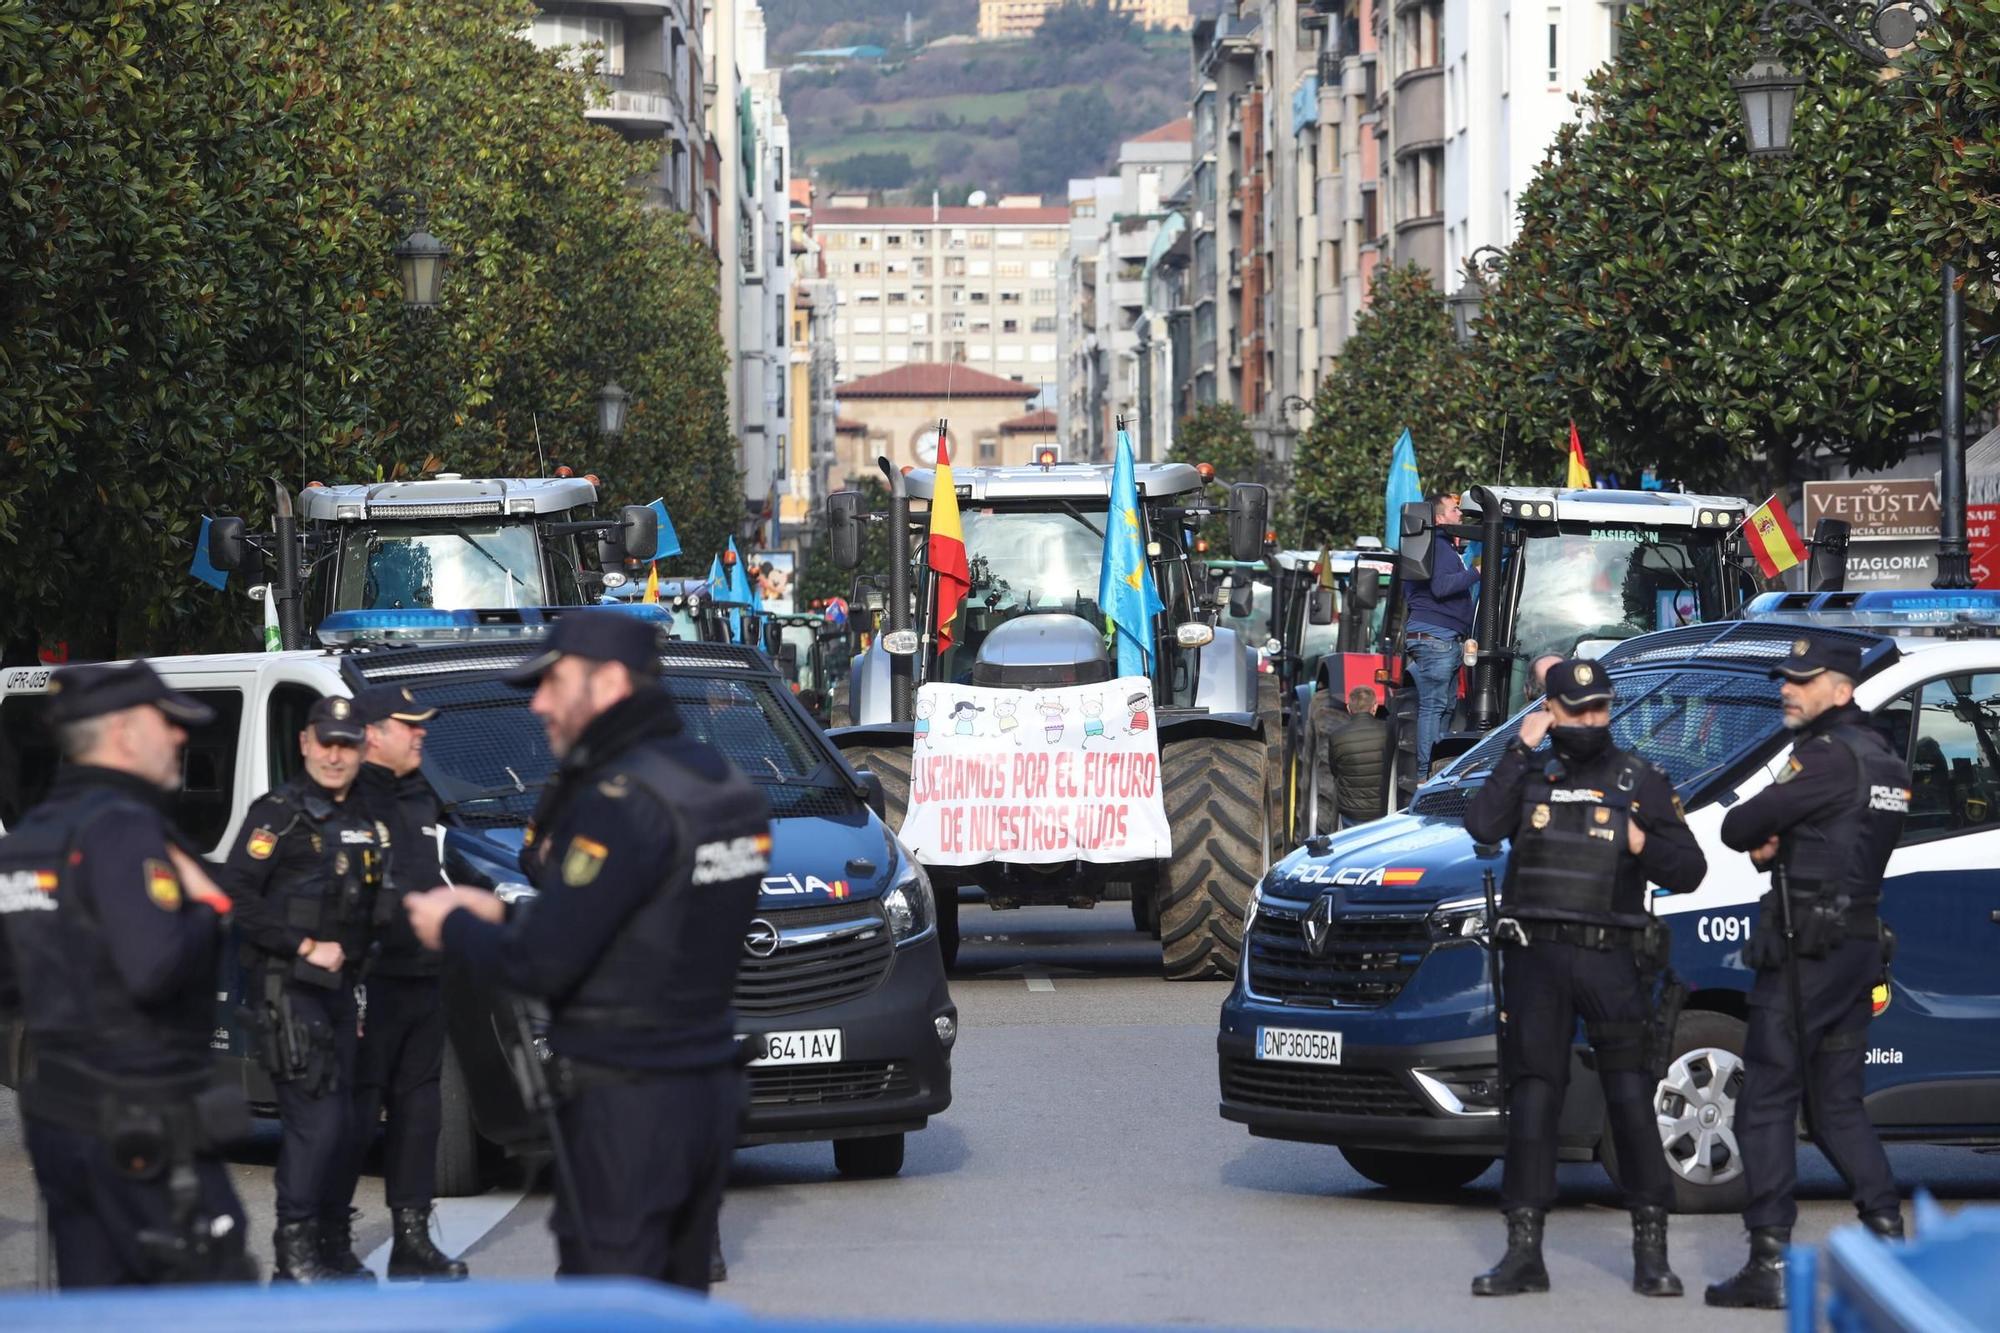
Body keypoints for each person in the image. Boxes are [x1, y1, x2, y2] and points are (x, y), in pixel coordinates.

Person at [405, 610, 771, 1291]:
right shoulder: (720, 782)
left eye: (553, 682)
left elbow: (543, 962)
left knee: (611, 1303)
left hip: (627, 1105)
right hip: (703, 1089)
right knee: (675, 1300)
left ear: (606, 682)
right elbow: (654, 915)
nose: (538, 702)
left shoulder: (617, 797)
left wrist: (453, 923)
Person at [0, 661, 255, 1286]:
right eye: (165, 723)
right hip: (144, 1122)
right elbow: (153, 967)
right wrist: (208, 909)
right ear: (122, 731)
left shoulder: (29, 839)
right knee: (210, 1297)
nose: (179, 737)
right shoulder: (123, 828)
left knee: (98, 1308)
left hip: (60, 1117)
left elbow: (10, 986)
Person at [1464, 659, 1707, 1298]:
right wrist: (1520, 749)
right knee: (1534, 1101)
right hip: (1537, 959)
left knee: (1629, 1099)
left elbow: (1690, 869)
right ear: (1550, 712)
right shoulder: (1530, 770)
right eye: (1576, 711)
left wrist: (1639, 845)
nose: (1590, 721)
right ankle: (1524, 1251)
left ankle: (1651, 1251)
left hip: (1611, 959)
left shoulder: (1639, 780)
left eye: (1599, 708)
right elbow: (1483, 826)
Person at [1705, 639, 1907, 1311]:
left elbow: (1741, 825)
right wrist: (1788, 840)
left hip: (1807, 949)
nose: (1787, 689)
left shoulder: (1822, 756)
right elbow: (1837, 839)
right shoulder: (1883, 757)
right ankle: (1886, 1234)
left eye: (1803, 679)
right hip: (1856, 942)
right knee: (1835, 1102)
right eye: (1785, 679)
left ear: (1842, 690)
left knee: (1765, 1096)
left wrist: (1773, 837)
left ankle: (1768, 1258)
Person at [218, 695, 387, 1283]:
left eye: (347, 744)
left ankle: (332, 1246)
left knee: (346, 1126)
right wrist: (301, 945)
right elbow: (237, 892)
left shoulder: (364, 815)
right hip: (288, 989)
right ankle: (294, 1256)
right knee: (315, 1126)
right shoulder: (279, 814)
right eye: (327, 742)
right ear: (306, 743)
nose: (336, 756)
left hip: (343, 993)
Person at [332, 684, 467, 1281]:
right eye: (408, 725)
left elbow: (430, 872)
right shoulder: (344, 799)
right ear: (374, 734)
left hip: (421, 978)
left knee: (419, 1115)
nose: (421, 733)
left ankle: (413, 1238)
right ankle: (331, 1238)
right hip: (368, 981)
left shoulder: (419, 795)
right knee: (354, 1116)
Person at [1404, 491, 1479, 780]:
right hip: (1437, 638)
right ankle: (1427, 775)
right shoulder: (1438, 547)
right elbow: (1442, 587)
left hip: (1440, 637)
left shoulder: (1434, 547)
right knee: (1435, 706)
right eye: (1455, 510)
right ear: (1438, 518)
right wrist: (1476, 572)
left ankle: (1437, 768)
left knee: (1445, 706)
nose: (1460, 515)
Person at [1327, 686, 1388, 828]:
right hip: (1382, 811)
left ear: (1349, 708)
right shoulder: (1388, 731)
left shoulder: (1337, 736)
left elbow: (1335, 772)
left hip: (1352, 813)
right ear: (1375, 707)